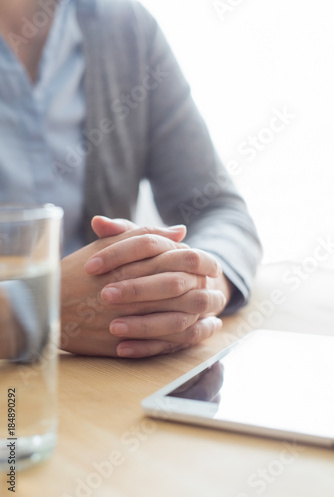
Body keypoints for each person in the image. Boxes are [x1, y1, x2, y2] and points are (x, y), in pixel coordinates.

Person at [0, 0, 262, 358]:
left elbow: (219, 209)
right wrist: (38, 308)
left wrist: (193, 286)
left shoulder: (126, 27)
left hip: (97, 376)